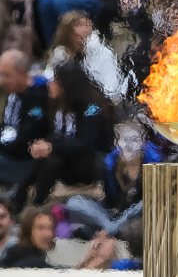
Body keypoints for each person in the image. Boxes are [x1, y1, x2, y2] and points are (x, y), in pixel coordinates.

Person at [11, 60, 115, 210]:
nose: (50, 84)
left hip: (90, 165)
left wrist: (51, 147)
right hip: (63, 161)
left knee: (53, 155)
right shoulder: (58, 104)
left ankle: (26, 201)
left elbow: (84, 144)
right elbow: (54, 134)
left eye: (55, 80)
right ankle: (27, 202)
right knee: (51, 159)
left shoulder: (92, 107)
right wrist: (41, 145)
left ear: (66, 84)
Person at [0, 50, 48, 192]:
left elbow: (25, 139)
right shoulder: (12, 93)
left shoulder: (38, 97)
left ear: (21, 73)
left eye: (6, 75)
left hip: (21, 162)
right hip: (5, 153)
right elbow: (6, 126)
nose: (1, 80)